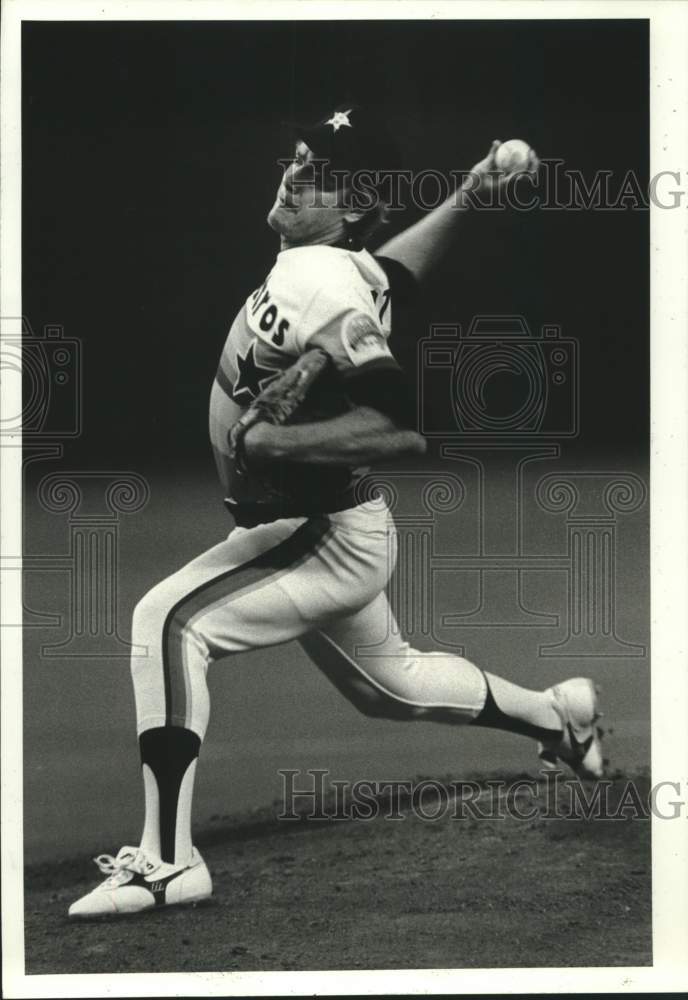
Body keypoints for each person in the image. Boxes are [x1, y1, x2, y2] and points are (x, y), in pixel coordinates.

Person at [69, 105, 603, 918]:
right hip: (331, 529)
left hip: (319, 534)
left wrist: (283, 447)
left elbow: (399, 429)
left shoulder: (314, 278)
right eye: (297, 156)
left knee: (169, 622)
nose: (293, 174)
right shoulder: (335, 263)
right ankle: (560, 719)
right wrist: (469, 191)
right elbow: (393, 274)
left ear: (350, 206)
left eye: (318, 173)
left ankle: (169, 862)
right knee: (389, 687)